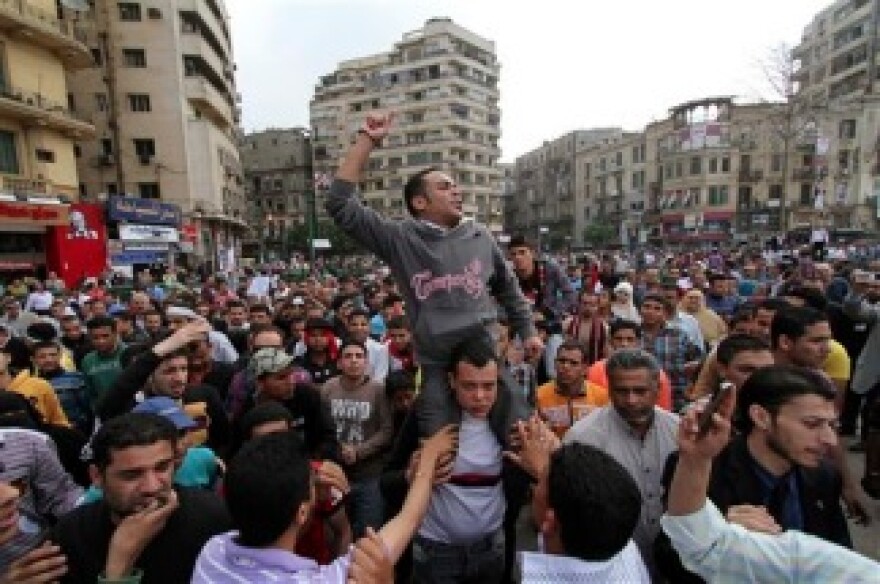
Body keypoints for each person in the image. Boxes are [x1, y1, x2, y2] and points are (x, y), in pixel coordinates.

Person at [326, 111, 539, 442]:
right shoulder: (400, 238)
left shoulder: (480, 236)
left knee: (522, 436)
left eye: (455, 186)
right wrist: (368, 139)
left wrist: (528, 332)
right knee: (438, 446)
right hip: (436, 364)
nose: (456, 192)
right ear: (419, 201)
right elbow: (340, 204)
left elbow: (509, 290)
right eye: (444, 187)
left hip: (485, 358)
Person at [660, 381, 879, 582]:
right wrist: (721, 534)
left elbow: (839, 555)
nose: (829, 439)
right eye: (812, 424)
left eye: (833, 426)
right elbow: (671, 556)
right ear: (761, 417)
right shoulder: (704, 466)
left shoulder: (823, 476)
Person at [191, 423, 457, 582]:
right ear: (302, 512)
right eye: (311, 483)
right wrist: (429, 458)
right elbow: (408, 518)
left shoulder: (212, 553)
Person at [47, 413, 232, 583]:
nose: (152, 487)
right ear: (97, 476)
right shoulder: (71, 536)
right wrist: (118, 567)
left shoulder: (217, 522)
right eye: (131, 475)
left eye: (162, 468)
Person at [564, 349, 679, 577]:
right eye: (621, 391)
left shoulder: (679, 431)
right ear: (609, 389)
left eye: (640, 391)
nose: (631, 400)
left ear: (658, 389)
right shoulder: (583, 438)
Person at [504, 419, 650, 582]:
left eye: (538, 484)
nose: (535, 487)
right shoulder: (620, 544)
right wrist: (559, 456)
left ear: (550, 523)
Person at [97, 322, 231, 456]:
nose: (179, 378)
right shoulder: (133, 407)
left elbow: (225, 440)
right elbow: (107, 405)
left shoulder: (205, 395)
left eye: (183, 369)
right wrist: (160, 350)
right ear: (149, 376)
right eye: (169, 371)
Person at [321, 340, 394, 538]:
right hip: (335, 472)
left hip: (369, 475)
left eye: (359, 356)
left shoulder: (379, 390)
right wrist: (338, 449)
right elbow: (321, 428)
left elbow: (387, 430)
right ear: (339, 363)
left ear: (366, 362)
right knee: (335, 533)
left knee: (368, 534)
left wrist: (359, 451)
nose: (354, 361)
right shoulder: (328, 388)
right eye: (348, 356)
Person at [587, 319, 673, 411]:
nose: (624, 344)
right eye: (618, 339)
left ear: (638, 342)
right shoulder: (595, 370)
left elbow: (662, 411)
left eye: (630, 339)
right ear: (611, 341)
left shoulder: (656, 374)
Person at [534, 341, 608, 438]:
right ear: (555, 364)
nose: (566, 367)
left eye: (573, 363)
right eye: (562, 361)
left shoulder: (602, 396)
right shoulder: (539, 396)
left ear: (585, 369)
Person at [507, 234, 575, 324]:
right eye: (513, 254)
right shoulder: (508, 276)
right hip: (520, 324)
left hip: (548, 323)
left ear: (532, 253)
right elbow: (499, 303)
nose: (518, 257)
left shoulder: (550, 269)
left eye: (522, 252)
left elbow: (571, 295)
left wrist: (549, 312)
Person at [80, 316, 127, 414]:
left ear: (115, 334)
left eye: (105, 336)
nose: (101, 341)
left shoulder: (129, 353)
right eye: (95, 337)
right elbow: (90, 392)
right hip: (105, 413)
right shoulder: (87, 361)